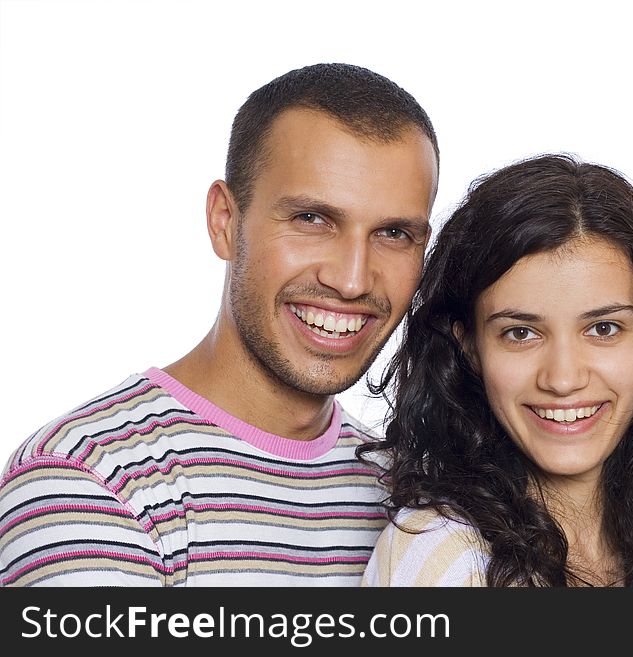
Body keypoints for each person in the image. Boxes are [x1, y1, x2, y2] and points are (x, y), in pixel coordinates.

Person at [0, 63, 439, 586]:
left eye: (392, 233)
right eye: (311, 219)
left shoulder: (411, 499)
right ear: (224, 222)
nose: (350, 279)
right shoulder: (85, 481)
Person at [361, 154, 633, 587]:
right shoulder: (440, 553)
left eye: (603, 328)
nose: (562, 379)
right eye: (521, 333)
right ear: (469, 348)